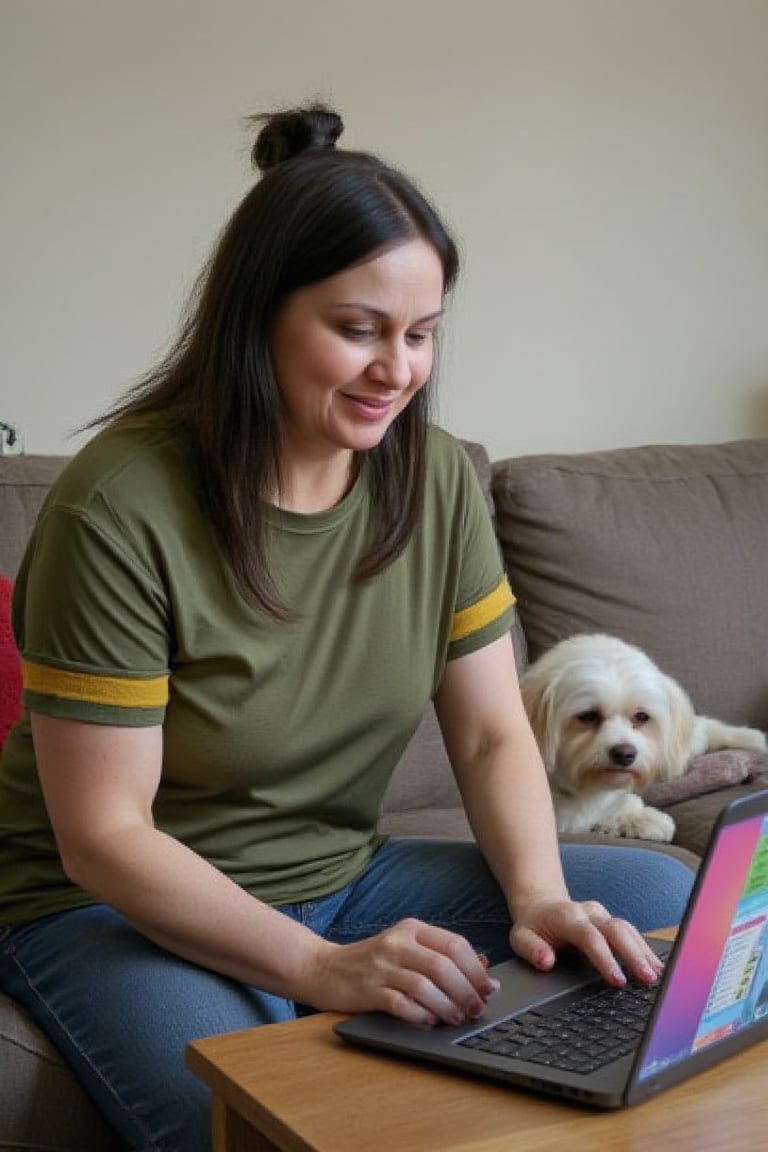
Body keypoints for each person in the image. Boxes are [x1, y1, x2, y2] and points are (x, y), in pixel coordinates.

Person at [0, 105, 694, 1152]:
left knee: (657, 898)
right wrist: (317, 968)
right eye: (358, 329)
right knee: (247, 1115)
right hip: (103, 907)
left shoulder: (434, 477)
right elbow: (104, 839)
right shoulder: (122, 508)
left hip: (343, 873)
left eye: (421, 335)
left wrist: (538, 894)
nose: (397, 371)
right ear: (257, 316)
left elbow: (491, 732)